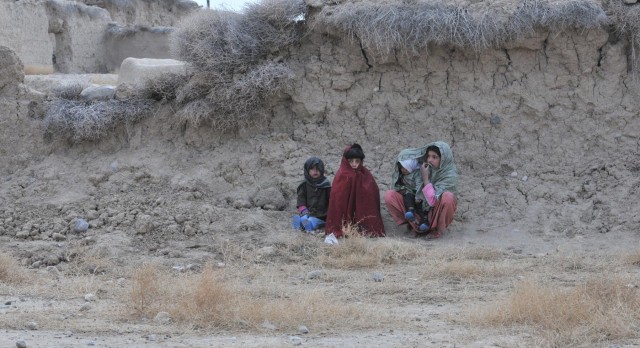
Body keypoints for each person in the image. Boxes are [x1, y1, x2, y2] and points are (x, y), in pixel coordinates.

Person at [384, 141, 457, 238]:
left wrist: (425, 179)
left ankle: (436, 231)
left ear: (443, 159)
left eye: (434, 157)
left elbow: (432, 201)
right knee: (390, 195)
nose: (430, 160)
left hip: (433, 211)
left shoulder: (449, 175)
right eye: (429, 156)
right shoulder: (423, 167)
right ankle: (414, 226)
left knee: (448, 197)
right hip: (417, 208)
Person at [324, 144, 385, 243]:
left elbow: (372, 196)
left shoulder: (365, 175)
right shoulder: (341, 175)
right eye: (351, 161)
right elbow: (337, 200)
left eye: (357, 161)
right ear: (346, 160)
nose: (354, 164)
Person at [293, 157, 331, 233]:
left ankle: (306, 227)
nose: (315, 171)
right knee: (304, 218)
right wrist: (304, 210)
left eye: (317, 169)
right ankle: (300, 225)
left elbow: (331, 200)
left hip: (322, 215)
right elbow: (301, 199)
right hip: (308, 212)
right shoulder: (304, 185)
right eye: (312, 169)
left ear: (322, 170)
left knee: (311, 221)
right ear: (307, 170)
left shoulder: (326, 185)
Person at [392, 154, 429, 232]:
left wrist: (418, 196)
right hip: (410, 192)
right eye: (402, 168)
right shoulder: (403, 175)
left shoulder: (417, 173)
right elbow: (399, 184)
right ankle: (410, 211)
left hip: (420, 194)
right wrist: (401, 189)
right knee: (408, 197)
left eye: (405, 168)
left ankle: (424, 223)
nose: (403, 170)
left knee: (421, 208)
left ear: (411, 166)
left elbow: (419, 185)